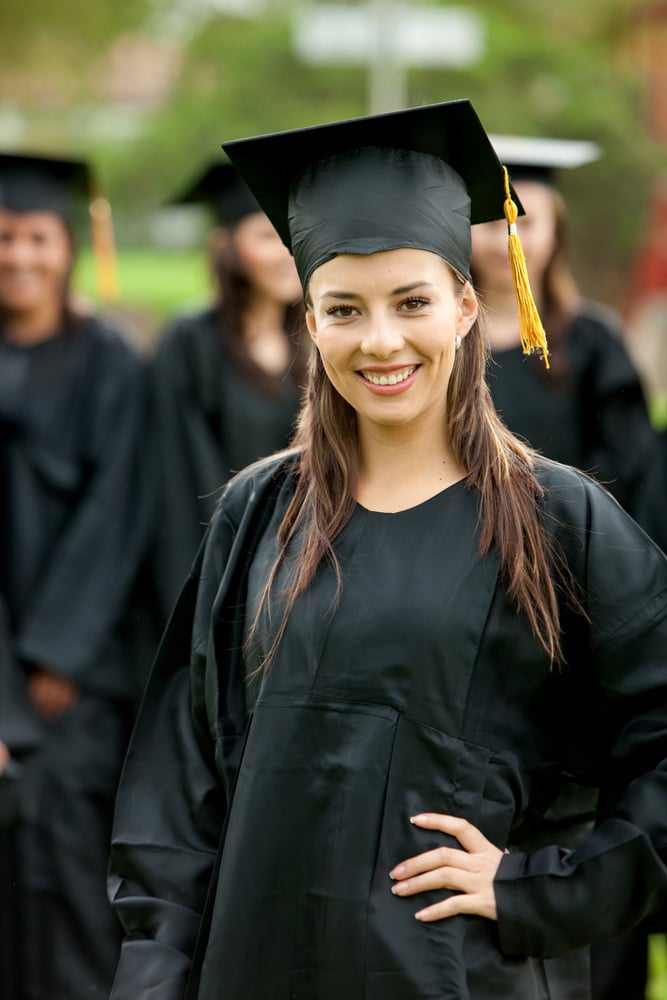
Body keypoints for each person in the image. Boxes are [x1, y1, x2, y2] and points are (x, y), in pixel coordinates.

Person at [108, 100, 667, 1000]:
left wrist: (544, 887)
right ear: (312, 324)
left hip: (457, 978)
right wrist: (153, 977)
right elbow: (181, 788)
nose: (379, 340)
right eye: (343, 309)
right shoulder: (256, 514)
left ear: (463, 309)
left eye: (411, 301)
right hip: (255, 967)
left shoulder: (556, 520)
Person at [0, 152, 153, 999]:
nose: (19, 255)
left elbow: (120, 511)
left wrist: (58, 653)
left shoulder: (112, 362)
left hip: (78, 685)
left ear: (68, 247)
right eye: (3, 238)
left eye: (36, 237)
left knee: (70, 897)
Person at [470, 134, 657, 519]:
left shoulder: (596, 342)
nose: (510, 240)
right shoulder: (439, 342)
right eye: (492, 222)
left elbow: (630, 465)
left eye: (528, 222)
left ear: (556, 233)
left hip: (570, 547)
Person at [151, 161, 308, 619]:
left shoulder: (320, 339)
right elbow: (178, 479)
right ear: (225, 245)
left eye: (292, 233)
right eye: (266, 236)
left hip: (303, 578)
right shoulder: (190, 342)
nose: (286, 252)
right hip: (219, 577)